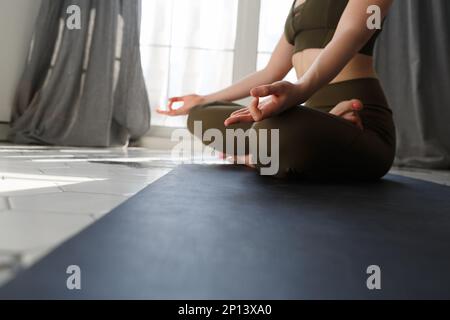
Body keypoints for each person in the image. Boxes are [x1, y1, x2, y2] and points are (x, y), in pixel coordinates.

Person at [157, 0, 396, 180]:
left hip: (361, 120)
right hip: (312, 119)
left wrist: (300, 90)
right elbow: (271, 71)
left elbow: (352, 33)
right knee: (201, 115)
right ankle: (270, 154)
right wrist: (203, 98)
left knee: (270, 130)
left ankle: (260, 155)